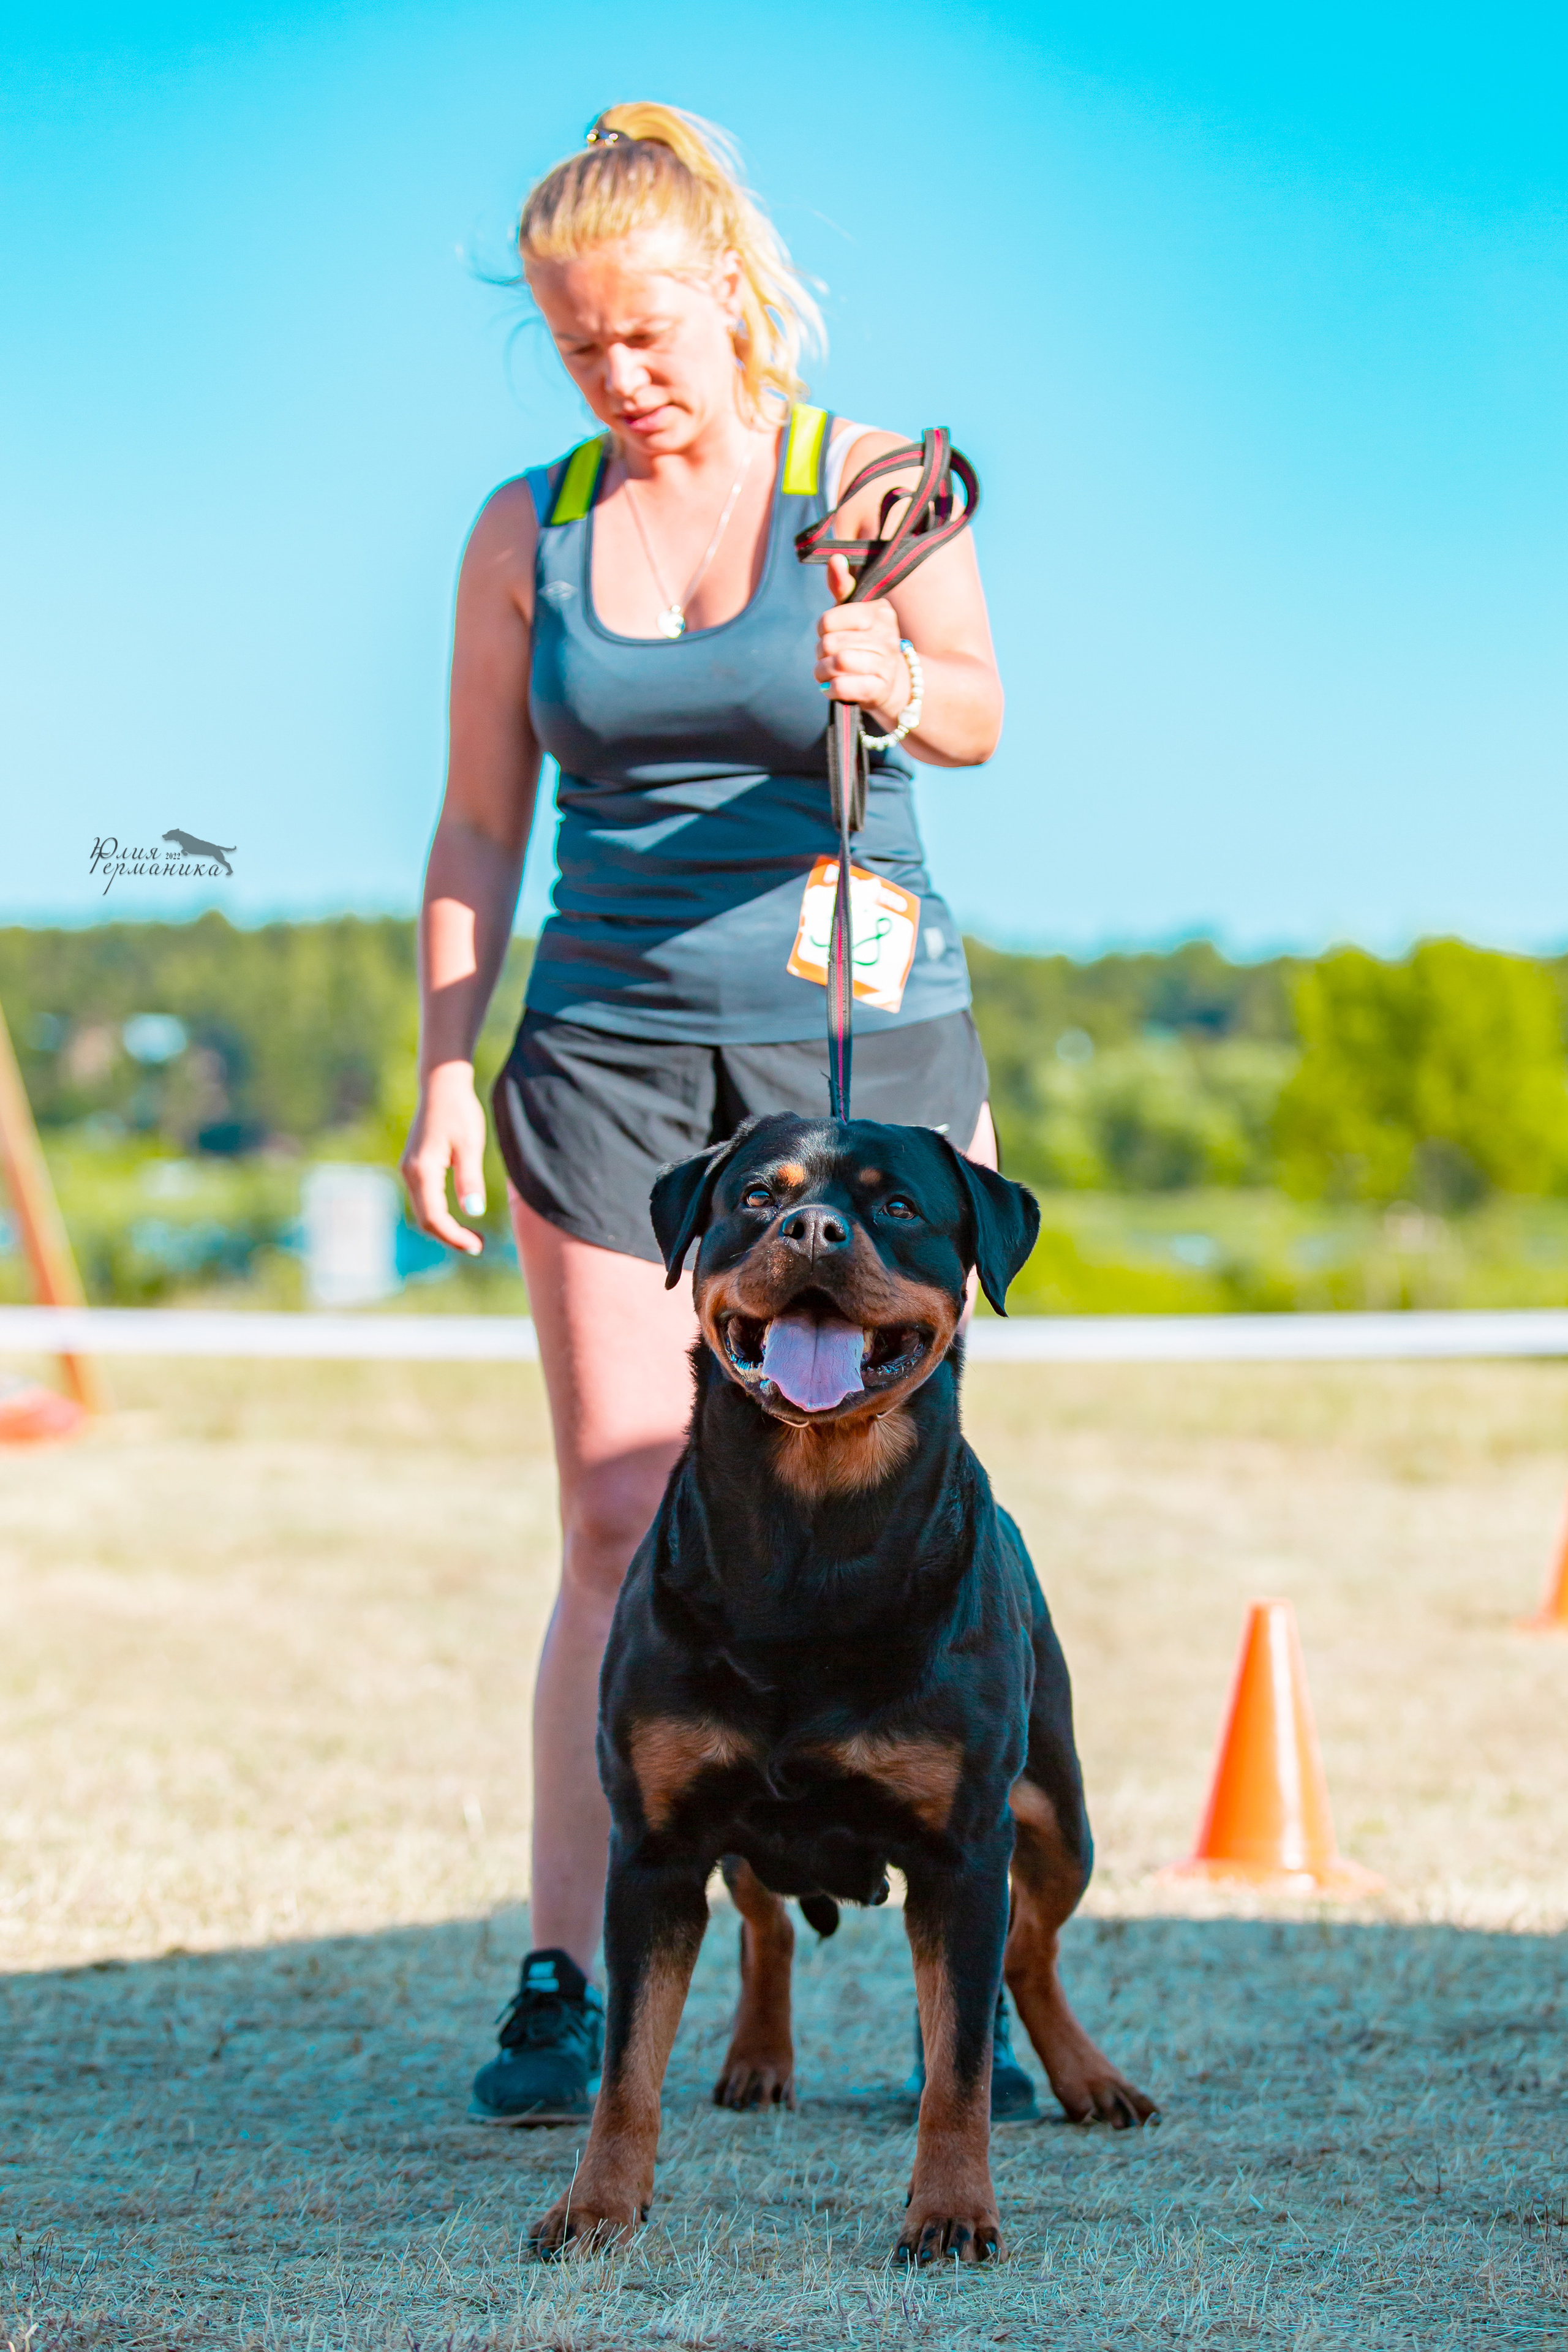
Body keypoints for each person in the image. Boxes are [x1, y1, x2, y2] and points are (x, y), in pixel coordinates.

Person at [400, 100, 1030, 2124]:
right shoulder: (534, 523)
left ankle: (973, 1989)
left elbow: (983, 712)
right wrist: (439, 1058)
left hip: (860, 1057)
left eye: (651, 334)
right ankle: (569, 1973)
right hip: (610, 1051)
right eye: (583, 345)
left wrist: (894, 673)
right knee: (618, 1505)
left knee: (901, 1492)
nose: (623, 375)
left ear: (734, 296)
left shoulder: (868, 476)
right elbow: (482, 816)